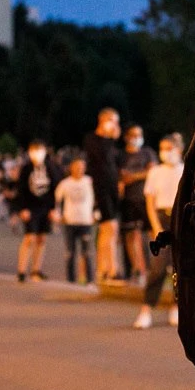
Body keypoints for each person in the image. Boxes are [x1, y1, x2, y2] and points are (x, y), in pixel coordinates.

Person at [133, 133, 183, 329]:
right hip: (161, 217)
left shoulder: (186, 170)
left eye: (169, 148)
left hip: (180, 217)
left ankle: (176, 306)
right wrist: (155, 226)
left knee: (179, 267)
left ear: (178, 149)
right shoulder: (155, 172)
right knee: (158, 268)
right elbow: (150, 201)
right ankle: (146, 309)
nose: (165, 153)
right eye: (162, 148)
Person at [83, 109, 122, 283]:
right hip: (100, 188)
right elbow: (99, 159)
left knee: (108, 230)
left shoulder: (111, 143)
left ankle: (103, 268)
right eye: (111, 120)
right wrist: (109, 137)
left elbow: (114, 163)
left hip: (112, 188)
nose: (114, 125)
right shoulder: (93, 139)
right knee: (110, 227)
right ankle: (113, 269)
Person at [15, 139, 61, 282]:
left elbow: (56, 187)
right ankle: (22, 270)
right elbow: (21, 189)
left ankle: (36, 269)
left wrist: (54, 208)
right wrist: (22, 208)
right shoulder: (26, 168)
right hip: (30, 207)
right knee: (30, 237)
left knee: (41, 238)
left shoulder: (51, 167)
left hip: (46, 207)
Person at [118, 124, 155, 284]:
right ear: (126, 137)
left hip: (145, 199)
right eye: (133, 134)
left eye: (139, 134)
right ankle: (137, 269)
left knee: (150, 234)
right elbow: (119, 175)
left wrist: (134, 177)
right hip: (127, 200)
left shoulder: (147, 153)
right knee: (130, 234)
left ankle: (154, 269)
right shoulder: (121, 155)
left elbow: (152, 171)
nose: (136, 138)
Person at [55, 155, 95, 284]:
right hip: (70, 222)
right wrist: (59, 215)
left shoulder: (89, 181)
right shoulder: (65, 183)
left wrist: (96, 214)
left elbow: (97, 199)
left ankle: (89, 279)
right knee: (70, 253)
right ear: (71, 168)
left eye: (82, 167)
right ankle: (70, 279)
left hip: (86, 221)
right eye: (77, 167)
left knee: (87, 253)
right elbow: (57, 200)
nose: (79, 169)